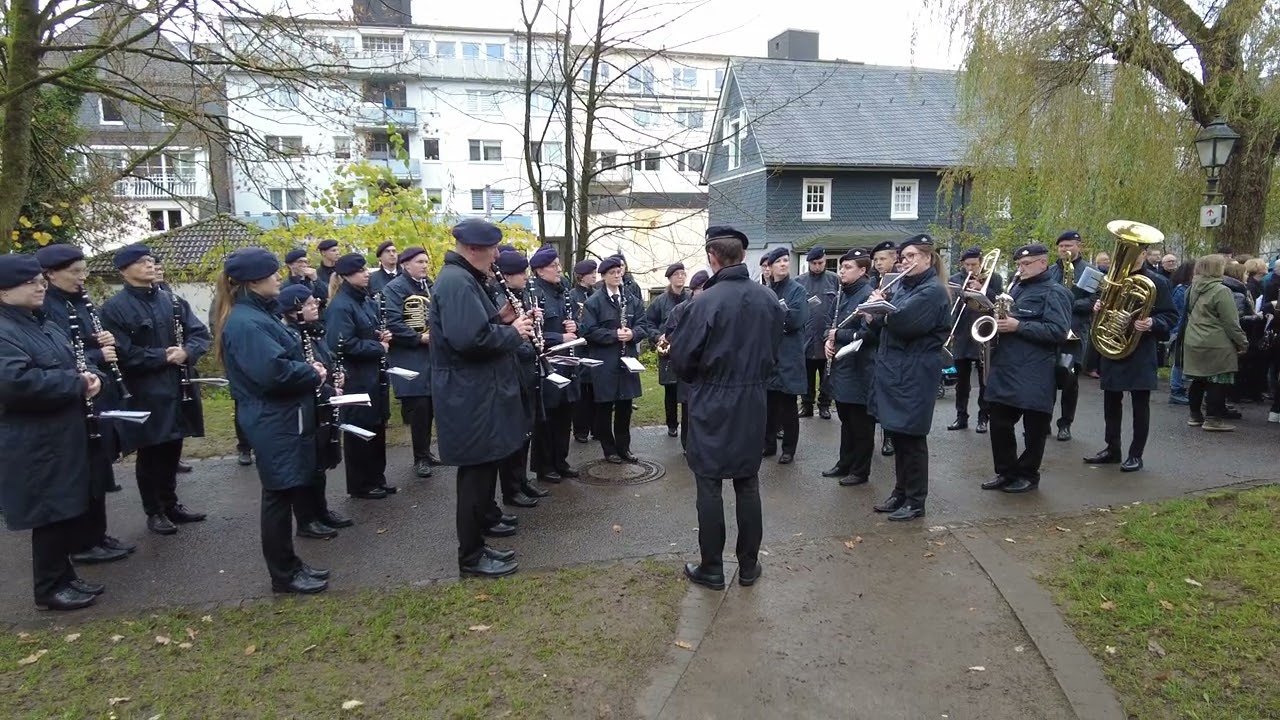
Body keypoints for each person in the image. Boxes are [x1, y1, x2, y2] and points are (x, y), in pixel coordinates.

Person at [670, 226, 783, 590]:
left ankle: (713, 567)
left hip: (713, 402)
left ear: (713, 258)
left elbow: (682, 360)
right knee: (748, 483)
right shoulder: (768, 300)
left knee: (710, 485)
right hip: (752, 400)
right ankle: (748, 566)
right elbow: (773, 352)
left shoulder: (702, 303)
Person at [212, 248, 329, 594]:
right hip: (273, 418)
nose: (279, 278)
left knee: (286, 490)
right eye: (272, 274)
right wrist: (310, 372)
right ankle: (283, 574)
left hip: (281, 416)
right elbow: (272, 373)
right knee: (278, 496)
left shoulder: (257, 315)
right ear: (252, 282)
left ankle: (290, 564)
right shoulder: (247, 322)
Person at [0, 254, 110, 611]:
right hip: (33, 438)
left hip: (62, 431)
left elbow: (79, 360)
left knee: (64, 507)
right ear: (3, 292)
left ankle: (65, 576)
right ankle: (48, 587)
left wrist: (93, 376)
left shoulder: (42, 322)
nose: (39, 286)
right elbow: (16, 383)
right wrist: (75, 383)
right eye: (28, 282)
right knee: (48, 512)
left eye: (39, 280)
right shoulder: (4, 330)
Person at [430, 218, 535, 578]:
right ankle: (471, 557)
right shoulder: (458, 282)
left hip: (475, 393)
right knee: (474, 478)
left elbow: (476, 329)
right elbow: (469, 342)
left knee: (482, 472)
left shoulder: (463, 279)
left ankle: (478, 543)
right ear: (474, 249)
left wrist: (501, 319)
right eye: (492, 250)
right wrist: (514, 334)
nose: (496, 257)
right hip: (469, 396)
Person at [100, 244, 209, 535]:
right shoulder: (113, 309)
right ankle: (155, 510)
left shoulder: (172, 301)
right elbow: (123, 353)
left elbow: (199, 334)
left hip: (177, 387)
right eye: (141, 262)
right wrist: (163, 356)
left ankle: (171, 503)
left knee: (173, 445)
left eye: (151, 260)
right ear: (124, 271)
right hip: (145, 390)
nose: (150, 265)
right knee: (151, 451)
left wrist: (187, 351)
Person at [36, 245, 133, 564]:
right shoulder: (48, 307)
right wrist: (96, 354)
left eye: (83, 270)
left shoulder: (79, 301)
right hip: (76, 397)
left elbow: (83, 343)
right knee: (84, 471)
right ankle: (82, 542)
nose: (82, 278)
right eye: (74, 272)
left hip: (96, 393)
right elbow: (60, 354)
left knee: (98, 466)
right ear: (50, 275)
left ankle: (97, 534)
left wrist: (104, 342)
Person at [867, 234, 951, 521]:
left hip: (915, 371)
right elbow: (884, 327)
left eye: (912, 256)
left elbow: (904, 323)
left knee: (912, 438)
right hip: (895, 369)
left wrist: (880, 311)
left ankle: (916, 501)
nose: (906, 262)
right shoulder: (902, 286)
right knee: (899, 435)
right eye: (903, 257)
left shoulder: (932, 291)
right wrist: (875, 313)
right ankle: (900, 491)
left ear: (928, 258)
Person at [981, 244, 1072, 493]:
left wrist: (1018, 326)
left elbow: (1058, 332)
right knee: (999, 421)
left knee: (1035, 428)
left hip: (1035, 368)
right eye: (1019, 264)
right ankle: (1006, 471)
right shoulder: (1015, 287)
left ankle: (1029, 474)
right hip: (1007, 364)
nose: (1021, 268)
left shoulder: (1055, 292)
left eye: (1027, 264)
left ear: (1043, 263)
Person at [1084, 247, 1177, 473]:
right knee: (1111, 402)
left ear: (1144, 255)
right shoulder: (1113, 279)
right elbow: (1102, 306)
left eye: (1133, 253)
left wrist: (1152, 323)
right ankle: (1112, 448)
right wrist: (1097, 307)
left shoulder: (1156, 281)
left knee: (1139, 404)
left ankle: (1136, 454)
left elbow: (1171, 316)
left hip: (1139, 349)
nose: (1125, 259)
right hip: (1112, 347)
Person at [278, 284, 353, 538]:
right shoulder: (290, 336)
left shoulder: (313, 333)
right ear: (293, 311)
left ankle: (321, 511)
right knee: (306, 466)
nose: (316, 307)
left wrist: (338, 378)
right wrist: (327, 388)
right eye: (309, 304)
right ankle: (306, 519)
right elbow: (300, 374)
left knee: (319, 463)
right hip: (304, 409)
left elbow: (328, 362)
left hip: (321, 405)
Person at [325, 253, 394, 499]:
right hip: (355, 377)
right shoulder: (341, 305)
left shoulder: (364, 300)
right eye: (359, 270)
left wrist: (379, 336)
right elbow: (342, 344)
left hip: (373, 374)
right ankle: (360, 484)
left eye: (365, 269)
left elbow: (365, 331)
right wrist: (379, 347)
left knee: (376, 426)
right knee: (358, 430)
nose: (366, 273)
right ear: (345, 276)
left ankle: (377, 477)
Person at [582, 255, 648, 463]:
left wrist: (633, 334)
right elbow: (589, 331)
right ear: (604, 276)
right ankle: (608, 449)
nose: (618, 275)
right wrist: (613, 335)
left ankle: (624, 447)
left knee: (625, 407)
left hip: (627, 360)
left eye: (619, 272)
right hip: (605, 362)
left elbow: (643, 325)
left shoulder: (631, 299)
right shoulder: (594, 302)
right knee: (604, 407)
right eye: (613, 273)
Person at [822, 248, 878, 485]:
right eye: (841, 267)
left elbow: (869, 335)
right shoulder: (841, 294)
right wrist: (828, 339)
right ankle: (845, 462)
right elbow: (829, 324)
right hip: (842, 366)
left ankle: (860, 469)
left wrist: (839, 334)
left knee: (861, 423)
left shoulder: (868, 295)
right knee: (846, 419)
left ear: (862, 270)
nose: (842, 271)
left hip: (861, 367)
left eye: (847, 267)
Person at [381, 246, 437, 479]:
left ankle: (426, 452)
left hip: (430, 354)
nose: (424, 265)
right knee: (418, 406)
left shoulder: (428, 285)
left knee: (430, 404)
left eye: (426, 262)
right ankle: (420, 458)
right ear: (405, 264)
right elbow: (392, 321)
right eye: (419, 262)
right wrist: (419, 337)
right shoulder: (394, 289)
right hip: (408, 354)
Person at [529, 245, 580, 486]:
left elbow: (570, 322)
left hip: (567, 362)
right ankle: (544, 465)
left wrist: (573, 327)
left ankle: (561, 460)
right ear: (539, 270)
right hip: (547, 364)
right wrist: (560, 337)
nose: (559, 269)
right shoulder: (534, 293)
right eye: (553, 266)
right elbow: (533, 333)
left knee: (564, 415)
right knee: (547, 418)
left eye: (558, 265)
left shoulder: (562, 292)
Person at [1183, 254, 1248, 431]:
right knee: (1217, 380)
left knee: (1198, 380)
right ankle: (1213, 419)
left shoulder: (1191, 288)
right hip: (1217, 341)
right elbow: (1230, 321)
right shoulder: (1221, 291)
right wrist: (1242, 341)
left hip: (1194, 339)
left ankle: (1195, 415)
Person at [1046, 230, 1098, 441]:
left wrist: (1066, 303)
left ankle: (1065, 424)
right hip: (1051, 333)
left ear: (1079, 246)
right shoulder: (1050, 271)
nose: (1065, 250)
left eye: (1069, 246)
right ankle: (1043, 421)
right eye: (1061, 247)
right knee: (1046, 380)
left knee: (1069, 380)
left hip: (1075, 333)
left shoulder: (1090, 273)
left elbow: (1092, 302)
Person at [947, 246, 1004, 433]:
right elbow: (953, 305)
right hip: (963, 332)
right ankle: (960, 416)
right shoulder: (956, 279)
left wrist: (982, 290)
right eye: (967, 265)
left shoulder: (994, 278)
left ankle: (983, 418)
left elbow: (999, 302)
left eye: (975, 264)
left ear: (981, 263)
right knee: (961, 381)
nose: (971, 268)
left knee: (984, 379)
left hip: (984, 329)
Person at [761, 247, 809, 464]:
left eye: (785, 260)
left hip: (789, 354)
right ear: (769, 267)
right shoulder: (766, 290)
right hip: (769, 355)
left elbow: (796, 320)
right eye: (778, 261)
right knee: (768, 405)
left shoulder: (797, 289)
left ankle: (789, 449)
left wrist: (779, 315)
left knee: (788, 406)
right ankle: (768, 444)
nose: (783, 264)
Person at [644, 262, 691, 437]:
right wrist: (657, 336)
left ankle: (688, 426)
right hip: (668, 350)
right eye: (677, 274)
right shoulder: (660, 301)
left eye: (683, 274)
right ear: (670, 278)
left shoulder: (690, 297)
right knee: (670, 389)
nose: (680, 277)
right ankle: (672, 424)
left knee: (686, 388)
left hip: (686, 350)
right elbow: (648, 323)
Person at [667, 269, 709, 451]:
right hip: (690, 367)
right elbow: (672, 335)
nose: (704, 292)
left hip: (709, 367)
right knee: (688, 409)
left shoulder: (713, 306)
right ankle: (688, 445)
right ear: (694, 290)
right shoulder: (680, 309)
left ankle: (704, 444)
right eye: (701, 289)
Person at [797, 246, 838, 419]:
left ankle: (824, 404)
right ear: (808, 263)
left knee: (827, 374)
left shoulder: (834, 280)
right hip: (807, 335)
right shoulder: (800, 281)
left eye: (820, 262)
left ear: (825, 260)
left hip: (826, 335)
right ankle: (806, 404)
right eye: (813, 263)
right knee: (806, 373)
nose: (817, 266)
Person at [869, 240, 898, 457]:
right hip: (875, 340)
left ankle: (889, 437)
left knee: (890, 394)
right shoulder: (873, 281)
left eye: (883, 259)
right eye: (876, 260)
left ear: (894, 258)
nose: (879, 263)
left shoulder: (899, 281)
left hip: (892, 341)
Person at [570, 259, 598, 444]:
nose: (595, 276)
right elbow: (572, 319)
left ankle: (597, 428)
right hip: (581, 347)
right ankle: (581, 429)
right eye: (591, 273)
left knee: (596, 390)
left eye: (596, 273)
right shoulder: (572, 295)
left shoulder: (597, 294)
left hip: (595, 346)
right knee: (582, 391)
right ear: (582, 276)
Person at [1167, 261, 1196, 405]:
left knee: (1182, 360)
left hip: (1184, 328)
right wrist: (1177, 332)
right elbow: (1179, 313)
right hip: (1180, 329)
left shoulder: (1187, 289)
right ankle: (1176, 389)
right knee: (1178, 361)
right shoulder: (1181, 290)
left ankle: (1179, 388)